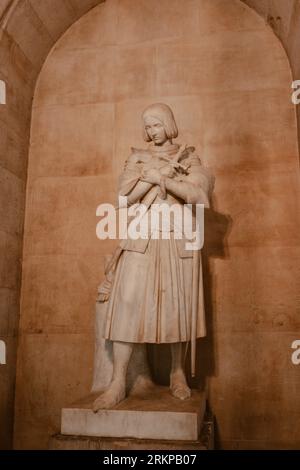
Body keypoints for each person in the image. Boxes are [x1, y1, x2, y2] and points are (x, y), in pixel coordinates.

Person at [93, 103, 214, 411]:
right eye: (147, 126)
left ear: (169, 125)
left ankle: (177, 374)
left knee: (176, 306)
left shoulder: (189, 157)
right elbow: (122, 199)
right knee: (128, 306)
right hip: (142, 237)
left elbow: (199, 195)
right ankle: (118, 381)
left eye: (156, 125)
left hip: (176, 236)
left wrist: (163, 179)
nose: (151, 132)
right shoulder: (137, 157)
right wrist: (154, 174)